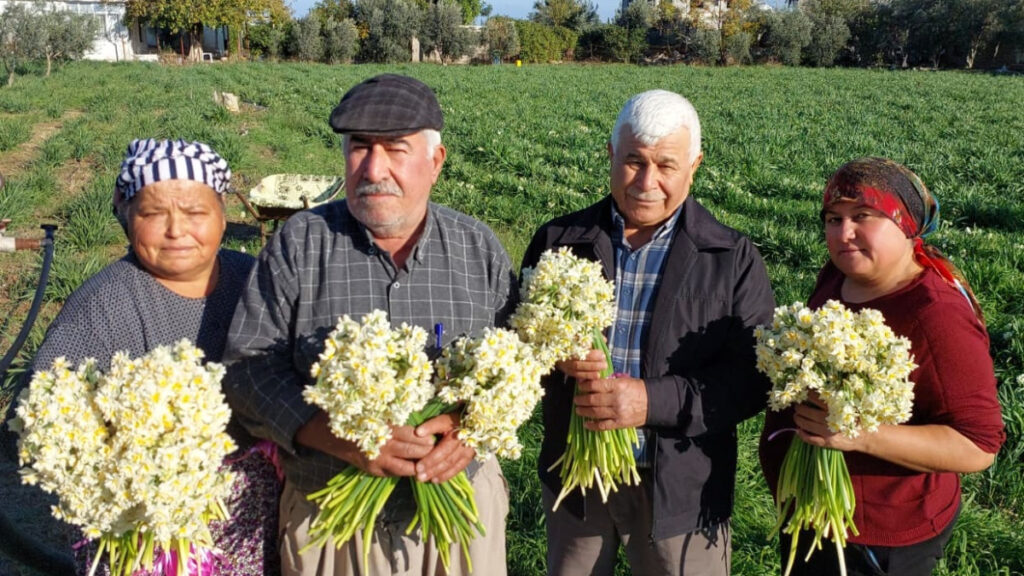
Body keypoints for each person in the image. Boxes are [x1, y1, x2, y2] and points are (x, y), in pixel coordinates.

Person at [222, 74, 516, 576]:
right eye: (359, 147)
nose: (373, 168)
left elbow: (515, 366)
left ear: (436, 162)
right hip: (332, 522)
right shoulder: (300, 243)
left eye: (395, 150)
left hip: (460, 515)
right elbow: (247, 372)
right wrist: (344, 438)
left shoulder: (477, 247)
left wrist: (474, 429)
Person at [521, 89, 776, 576]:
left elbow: (750, 381)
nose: (647, 181)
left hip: (679, 487)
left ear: (695, 165)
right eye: (633, 161)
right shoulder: (558, 241)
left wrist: (651, 402)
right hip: (578, 479)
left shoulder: (731, 257)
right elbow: (520, 340)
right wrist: (553, 356)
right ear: (611, 155)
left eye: (666, 165)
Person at [28, 138, 282, 576]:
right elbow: (45, 404)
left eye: (195, 213)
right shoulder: (104, 304)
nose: (176, 231)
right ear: (127, 216)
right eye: (153, 214)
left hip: (255, 513)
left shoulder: (254, 279)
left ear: (222, 215)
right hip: (151, 524)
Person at [759, 157, 1005, 576]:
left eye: (862, 216)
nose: (843, 233)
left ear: (906, 225)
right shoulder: (839, 277)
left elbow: (979, 446)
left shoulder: (936, 315)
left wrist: (859, 433)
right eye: (833, 218)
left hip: (876, 536)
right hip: (812, 511)